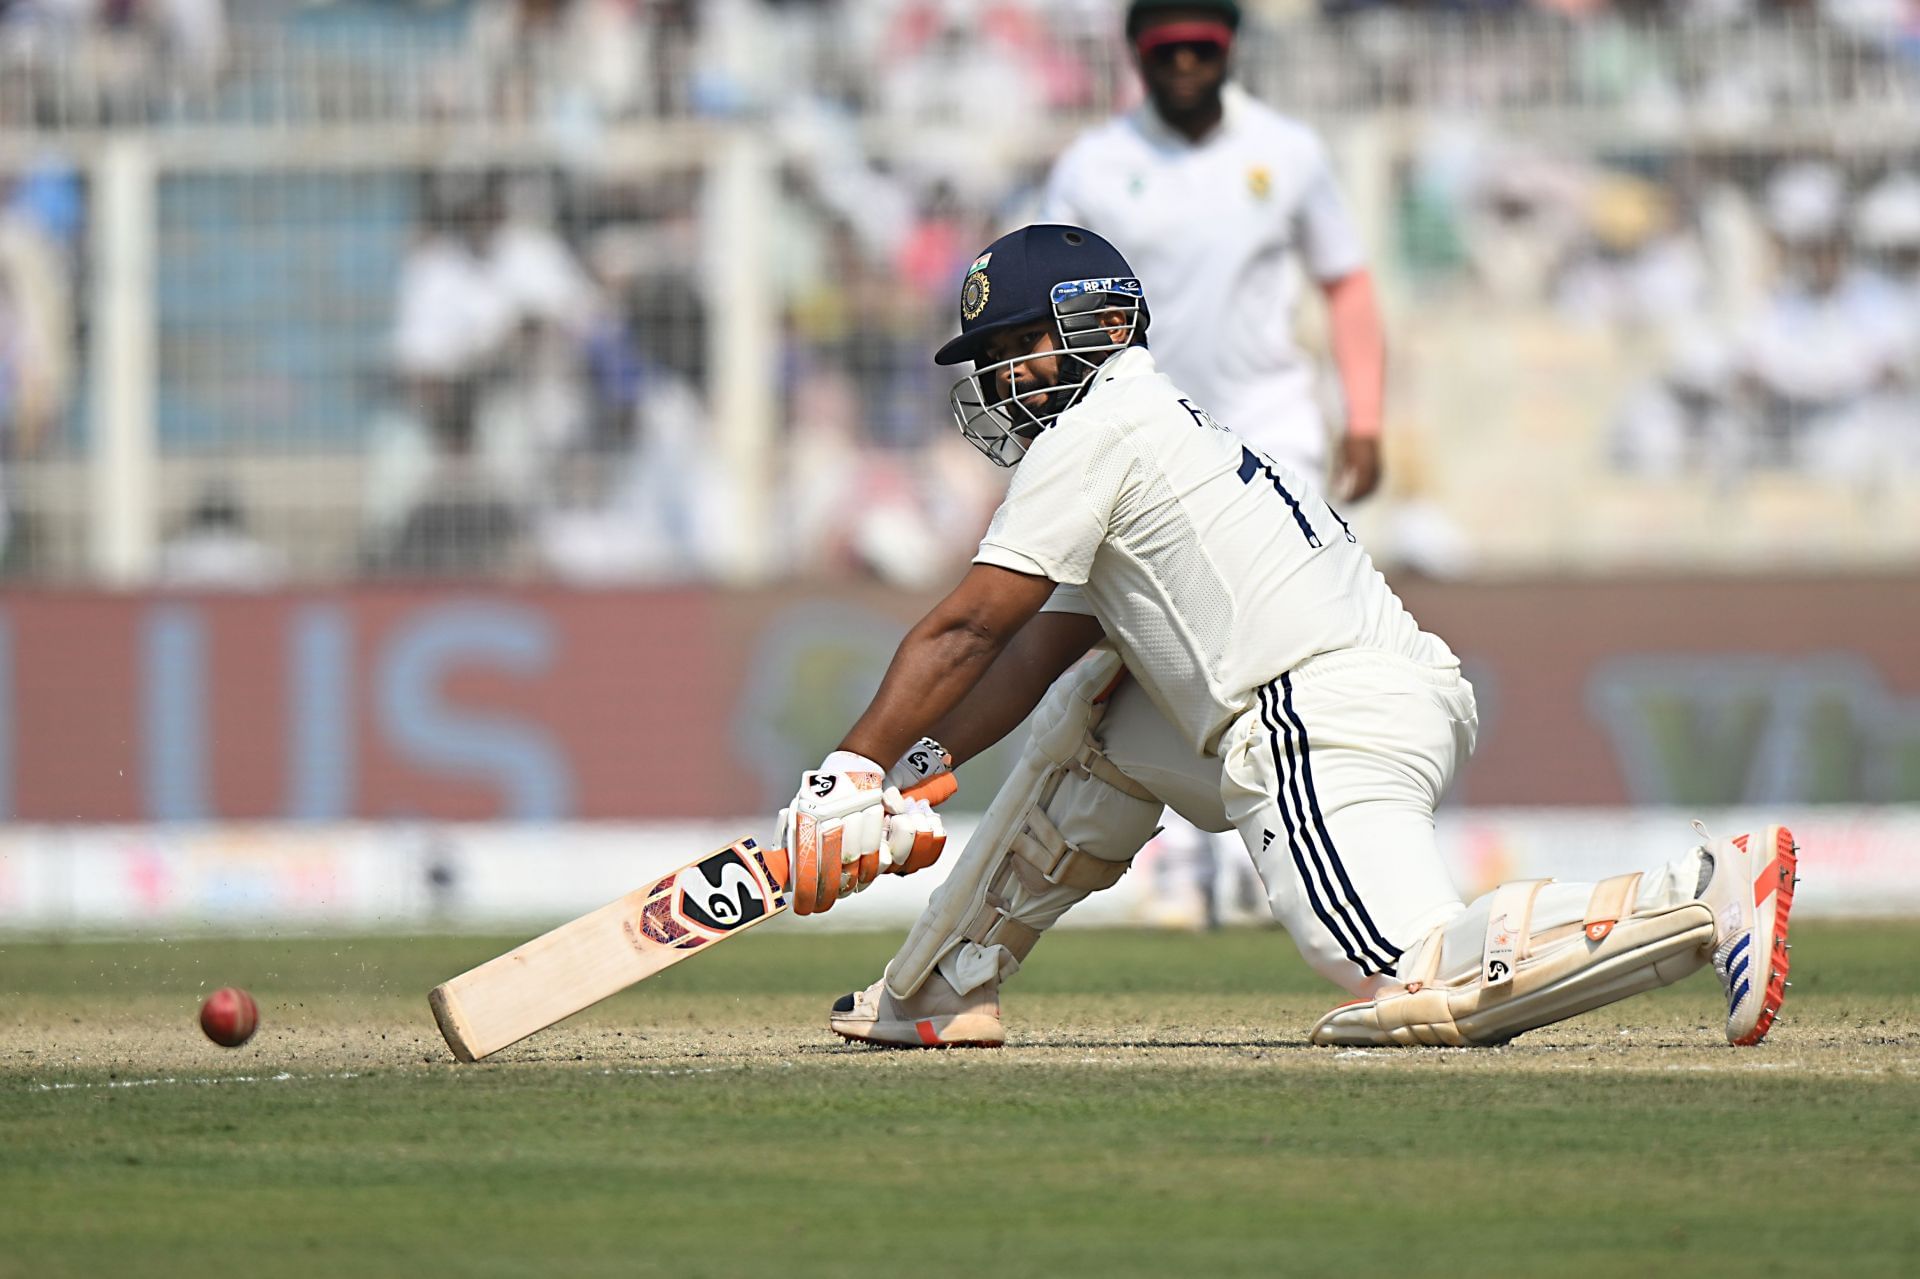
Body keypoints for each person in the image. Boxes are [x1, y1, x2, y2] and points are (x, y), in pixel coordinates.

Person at [771, 223, 1796, 1051]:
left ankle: (1702, 892)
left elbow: (967, 627)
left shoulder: (1098, 429)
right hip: (1363, 692)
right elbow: (1042, 654)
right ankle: (940, 985)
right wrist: (909, 775)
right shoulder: (1163, 427)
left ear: (1089, 325)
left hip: (1308, 713)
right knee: (1098, 721)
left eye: (1009, 348)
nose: (995, 379)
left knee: (1412, 974)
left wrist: (849, 773)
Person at [1039, 0, 1390, 921]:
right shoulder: (1096, 167)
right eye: (1169, 52)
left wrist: (1366, 412)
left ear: (1230, 48)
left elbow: (1346, 281)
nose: (1188, 65)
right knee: (1152, 655)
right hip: (1143, 438)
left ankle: (1276, 852)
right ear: (1138, 57)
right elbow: (1046, 304)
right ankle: (1184, 859)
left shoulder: (1289, 152)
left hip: (1272, 431)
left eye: (1203, 48)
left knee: (1281, 650)